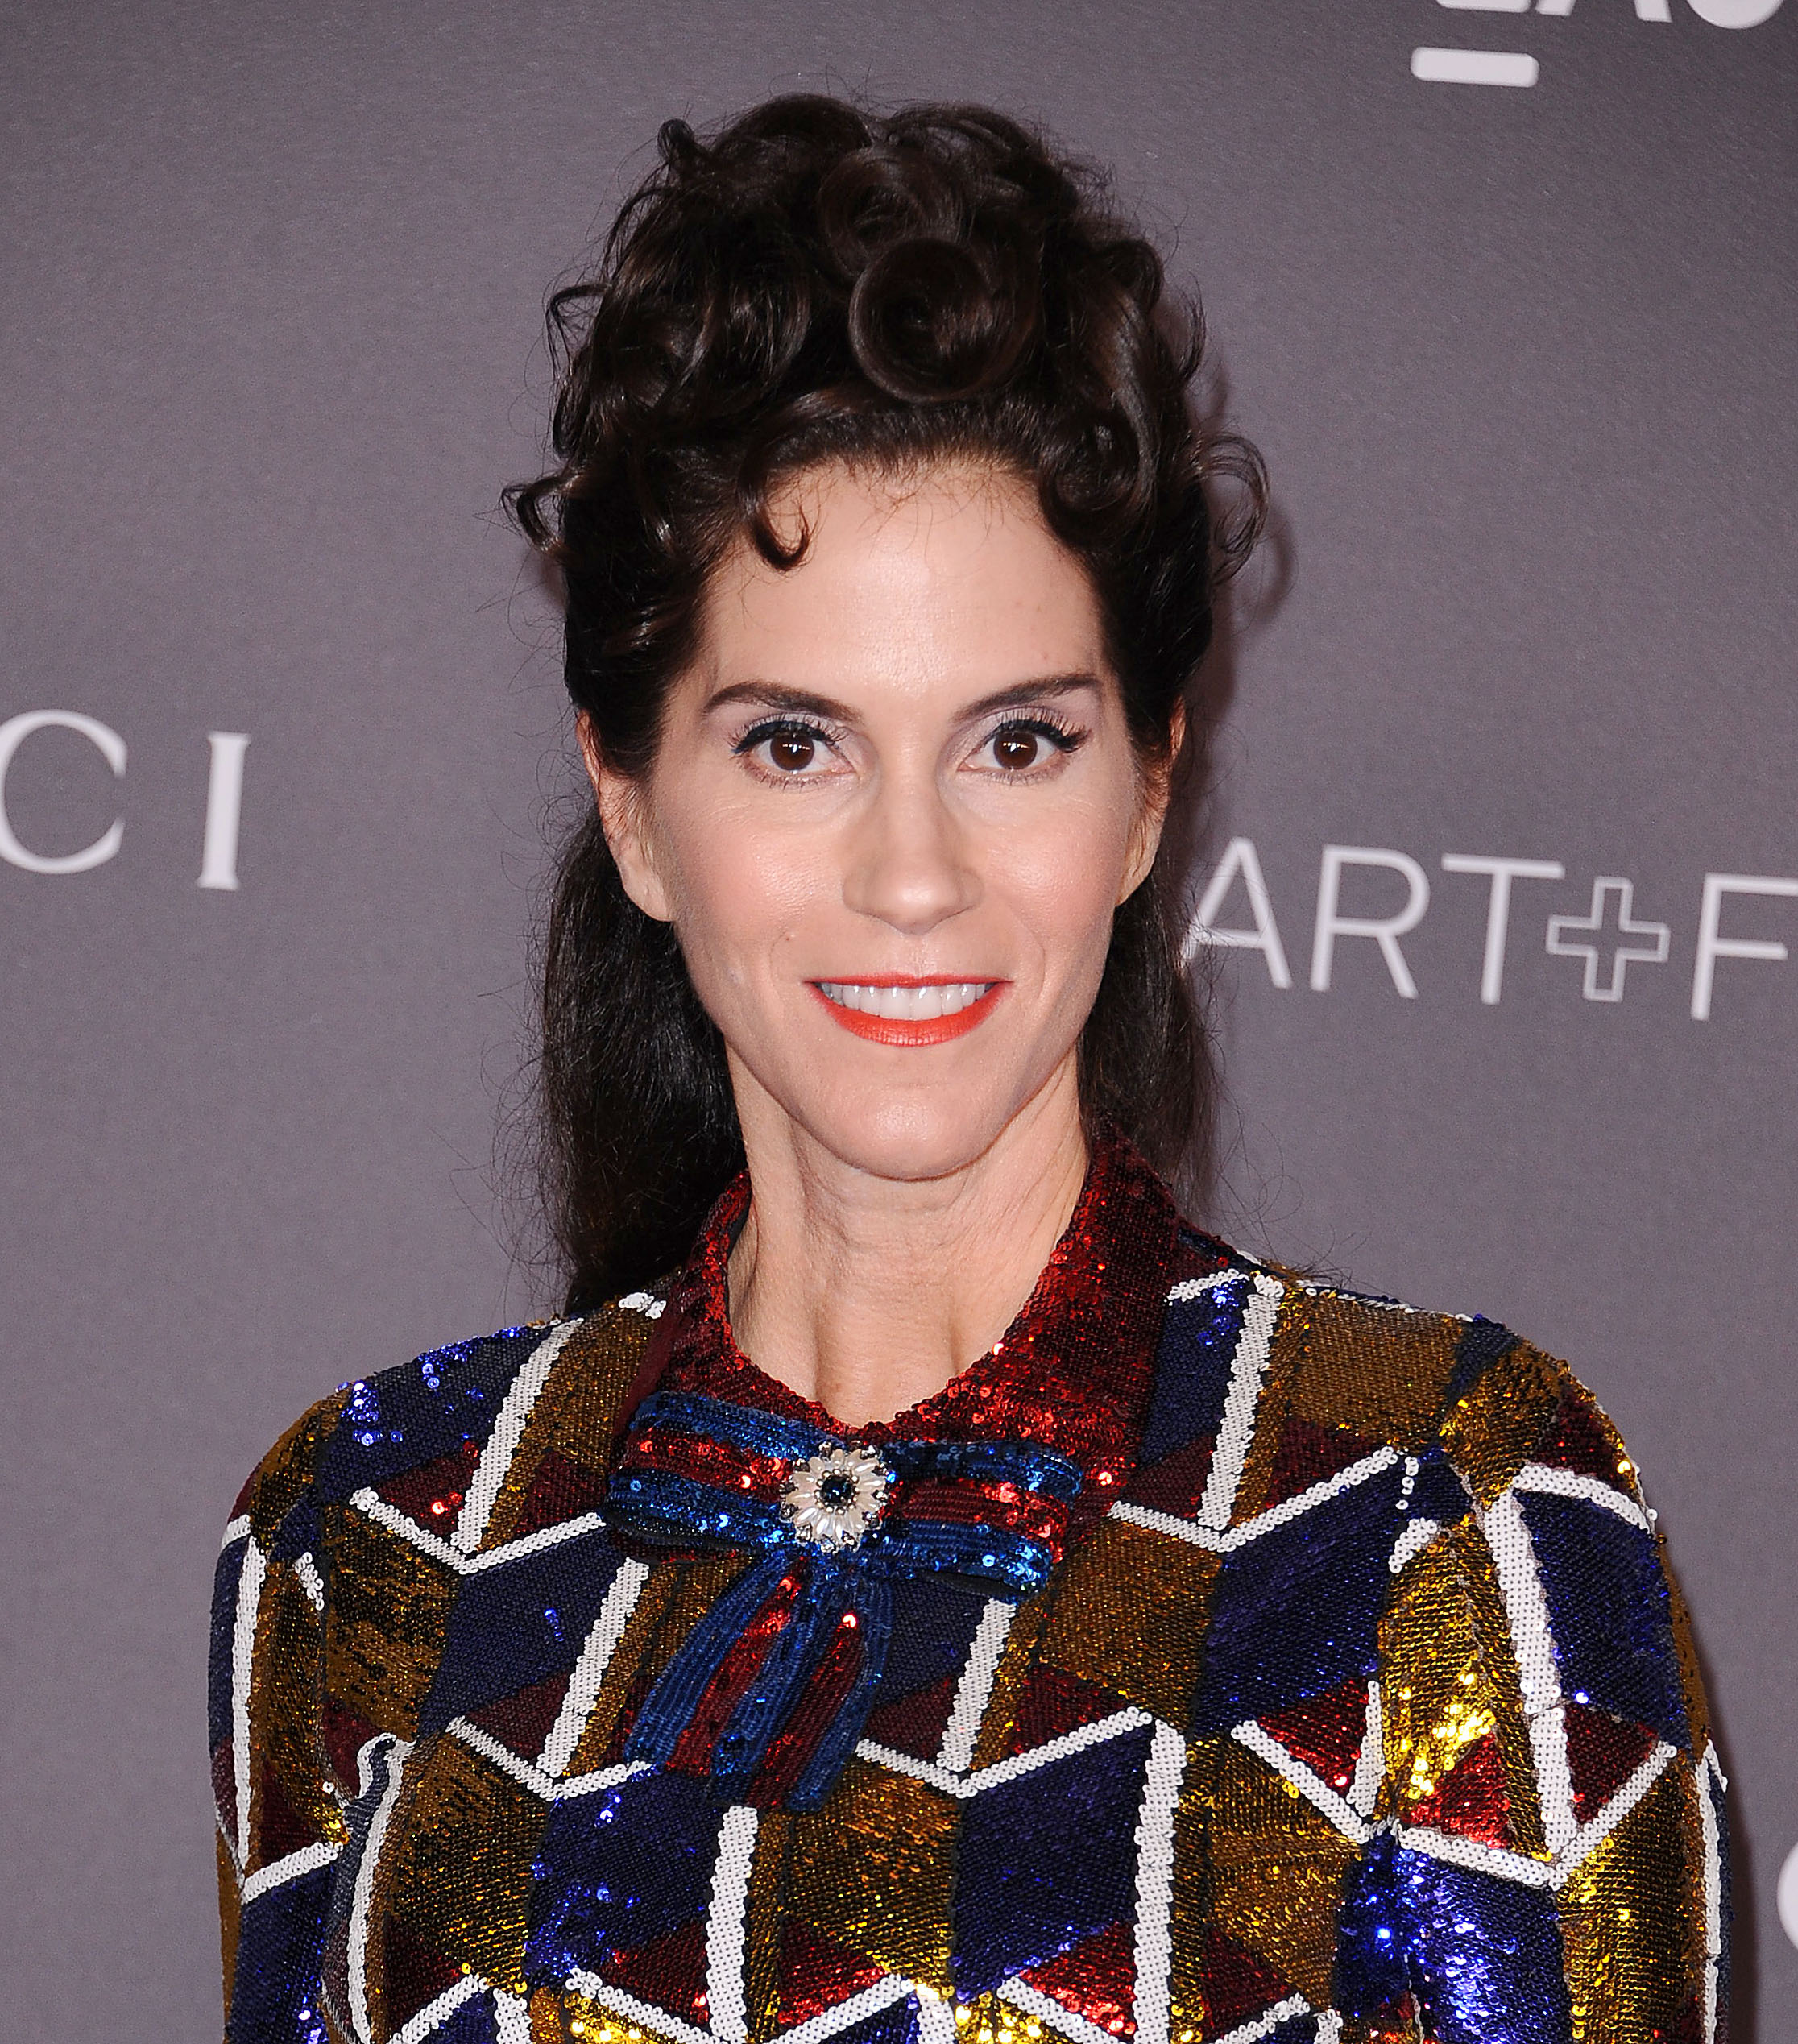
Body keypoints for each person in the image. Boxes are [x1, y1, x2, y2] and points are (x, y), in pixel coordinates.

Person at [210, 97, 1729, 2044]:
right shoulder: (373, 1538)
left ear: (1149, 790)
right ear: (637, 810)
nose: (915, 875)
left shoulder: (1434, 1518)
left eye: (1016, 744)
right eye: (794, 745)